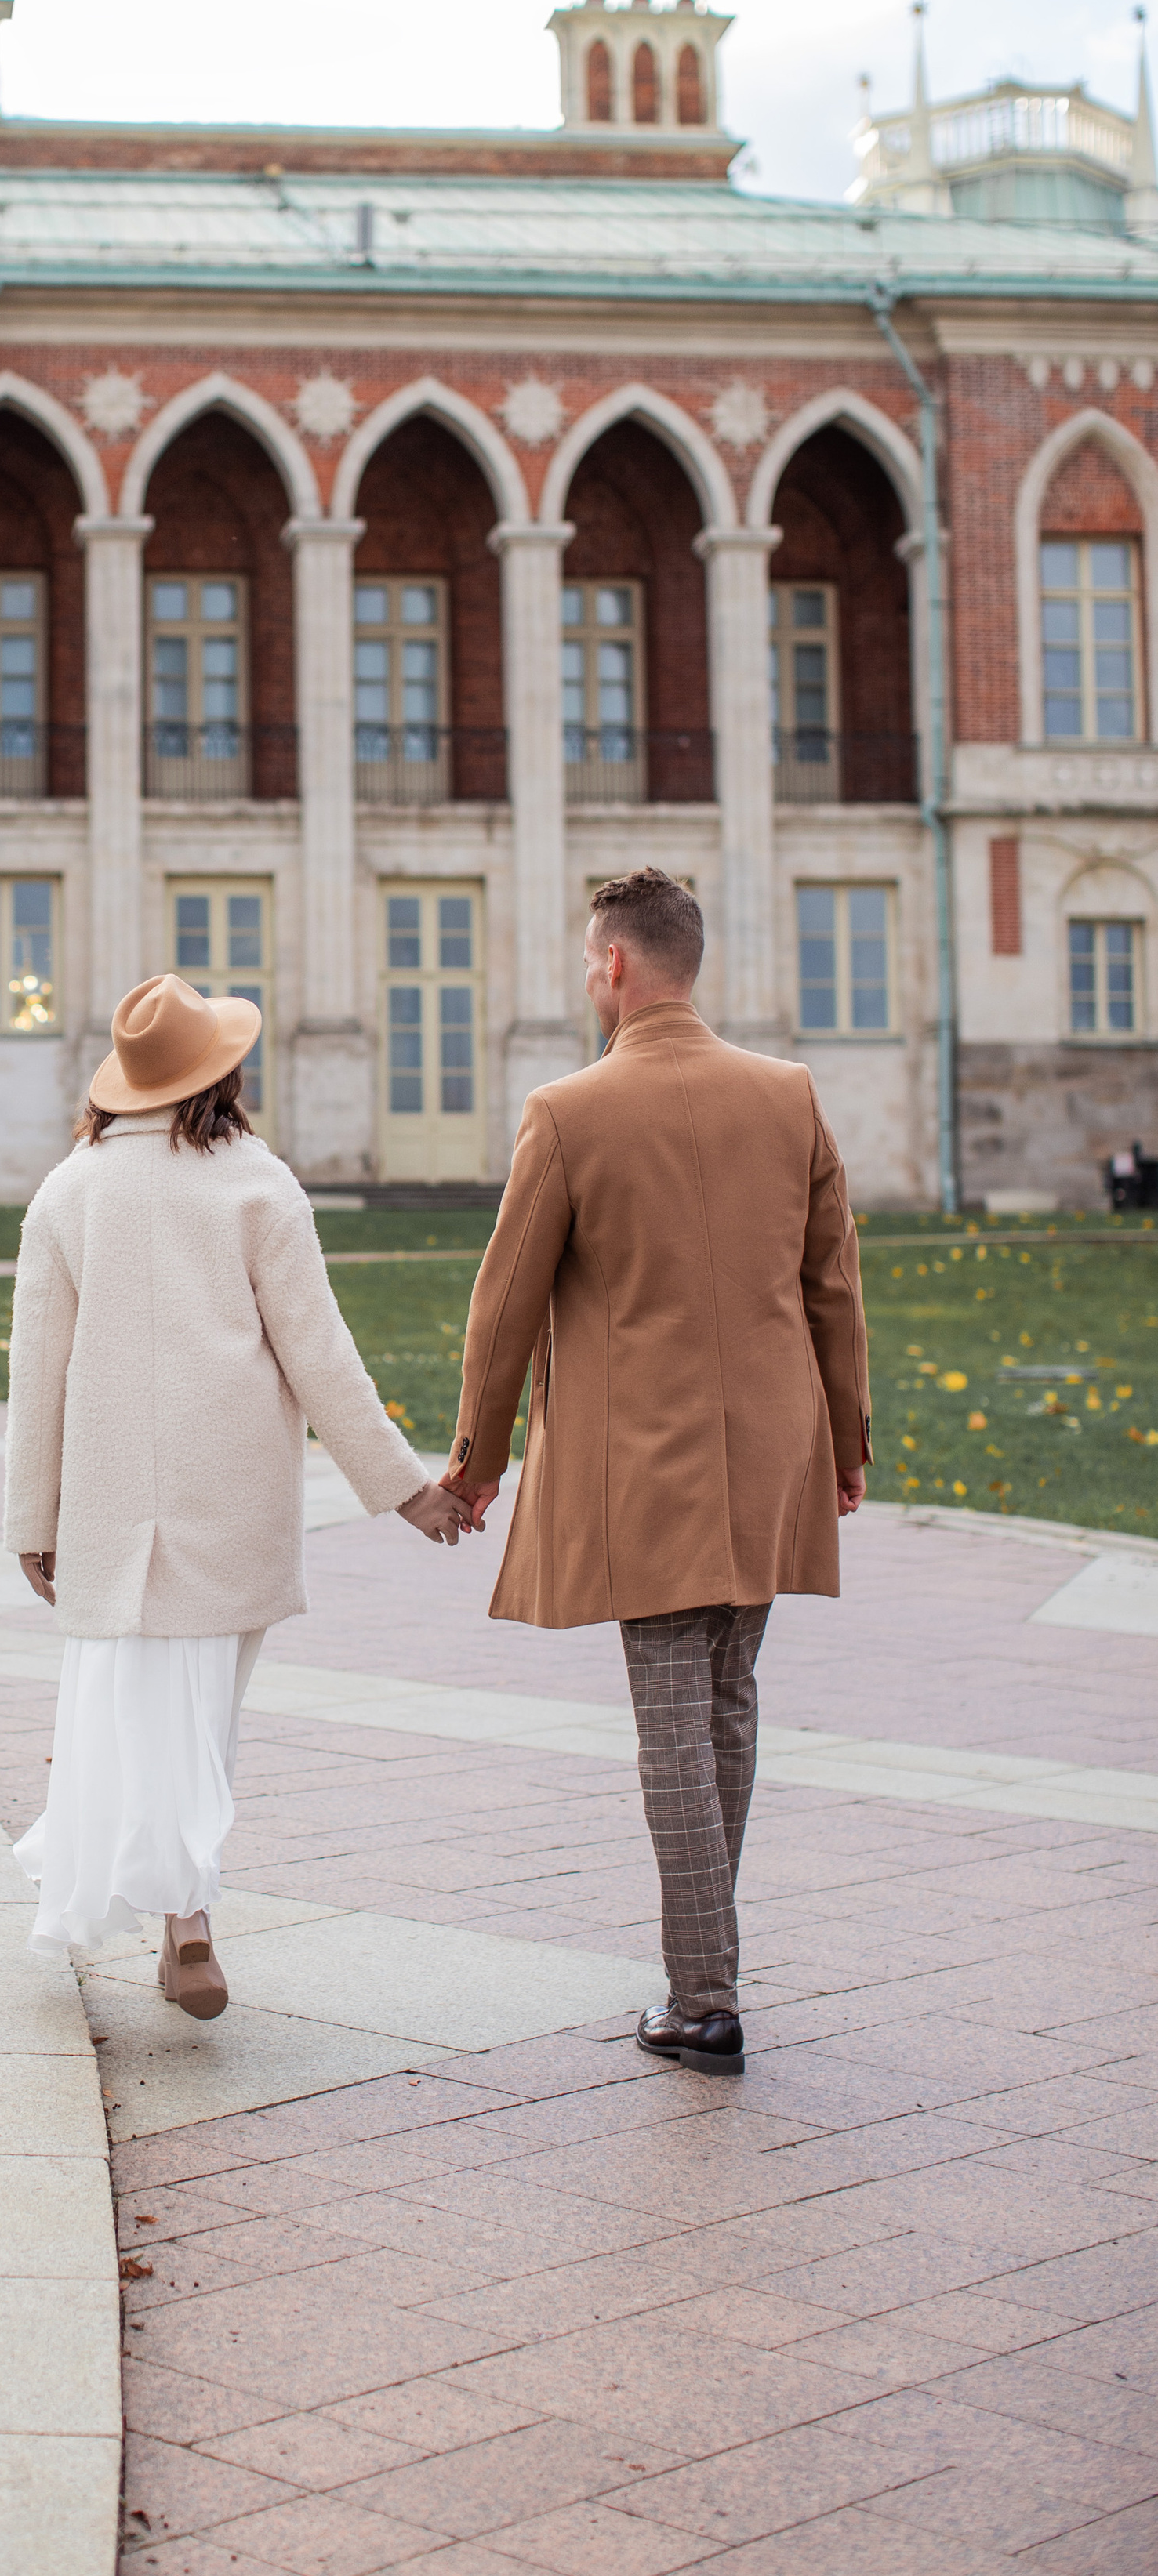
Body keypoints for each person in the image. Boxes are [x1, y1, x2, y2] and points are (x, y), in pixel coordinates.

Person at [442, 867, 869, 2076]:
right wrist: (844, 1441)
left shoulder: (569, 1112)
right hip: (773, 1453)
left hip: (646, 1465)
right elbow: (833, 1287)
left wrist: (474, 1466)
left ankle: (704, 1993)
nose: (589, 979)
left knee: (675, 1722)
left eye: (590, 962)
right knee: (730, 1701)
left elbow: (504, 1307)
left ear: (619, 965)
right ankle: (706, 1972)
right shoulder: (787, 1095)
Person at [5, 970, 472, 2015]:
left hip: (108, 1512)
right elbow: (322, 1356)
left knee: (125, 1710)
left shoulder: (68, 1192)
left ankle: (171, 1912)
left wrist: (30, 1522)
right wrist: (407, 1490)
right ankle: (190, 1925)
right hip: (236, 1503)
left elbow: (38, 1375)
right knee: (199, 1716)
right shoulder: (258, 1182)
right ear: (223, 1073)